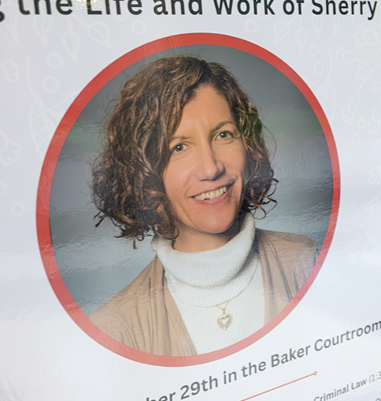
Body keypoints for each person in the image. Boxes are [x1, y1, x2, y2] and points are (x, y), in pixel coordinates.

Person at [90, 56, 316, 356]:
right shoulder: (116, 328)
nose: (210, 169)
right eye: (178, 147)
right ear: (144, 173)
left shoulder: (306, 260)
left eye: (223, 134)